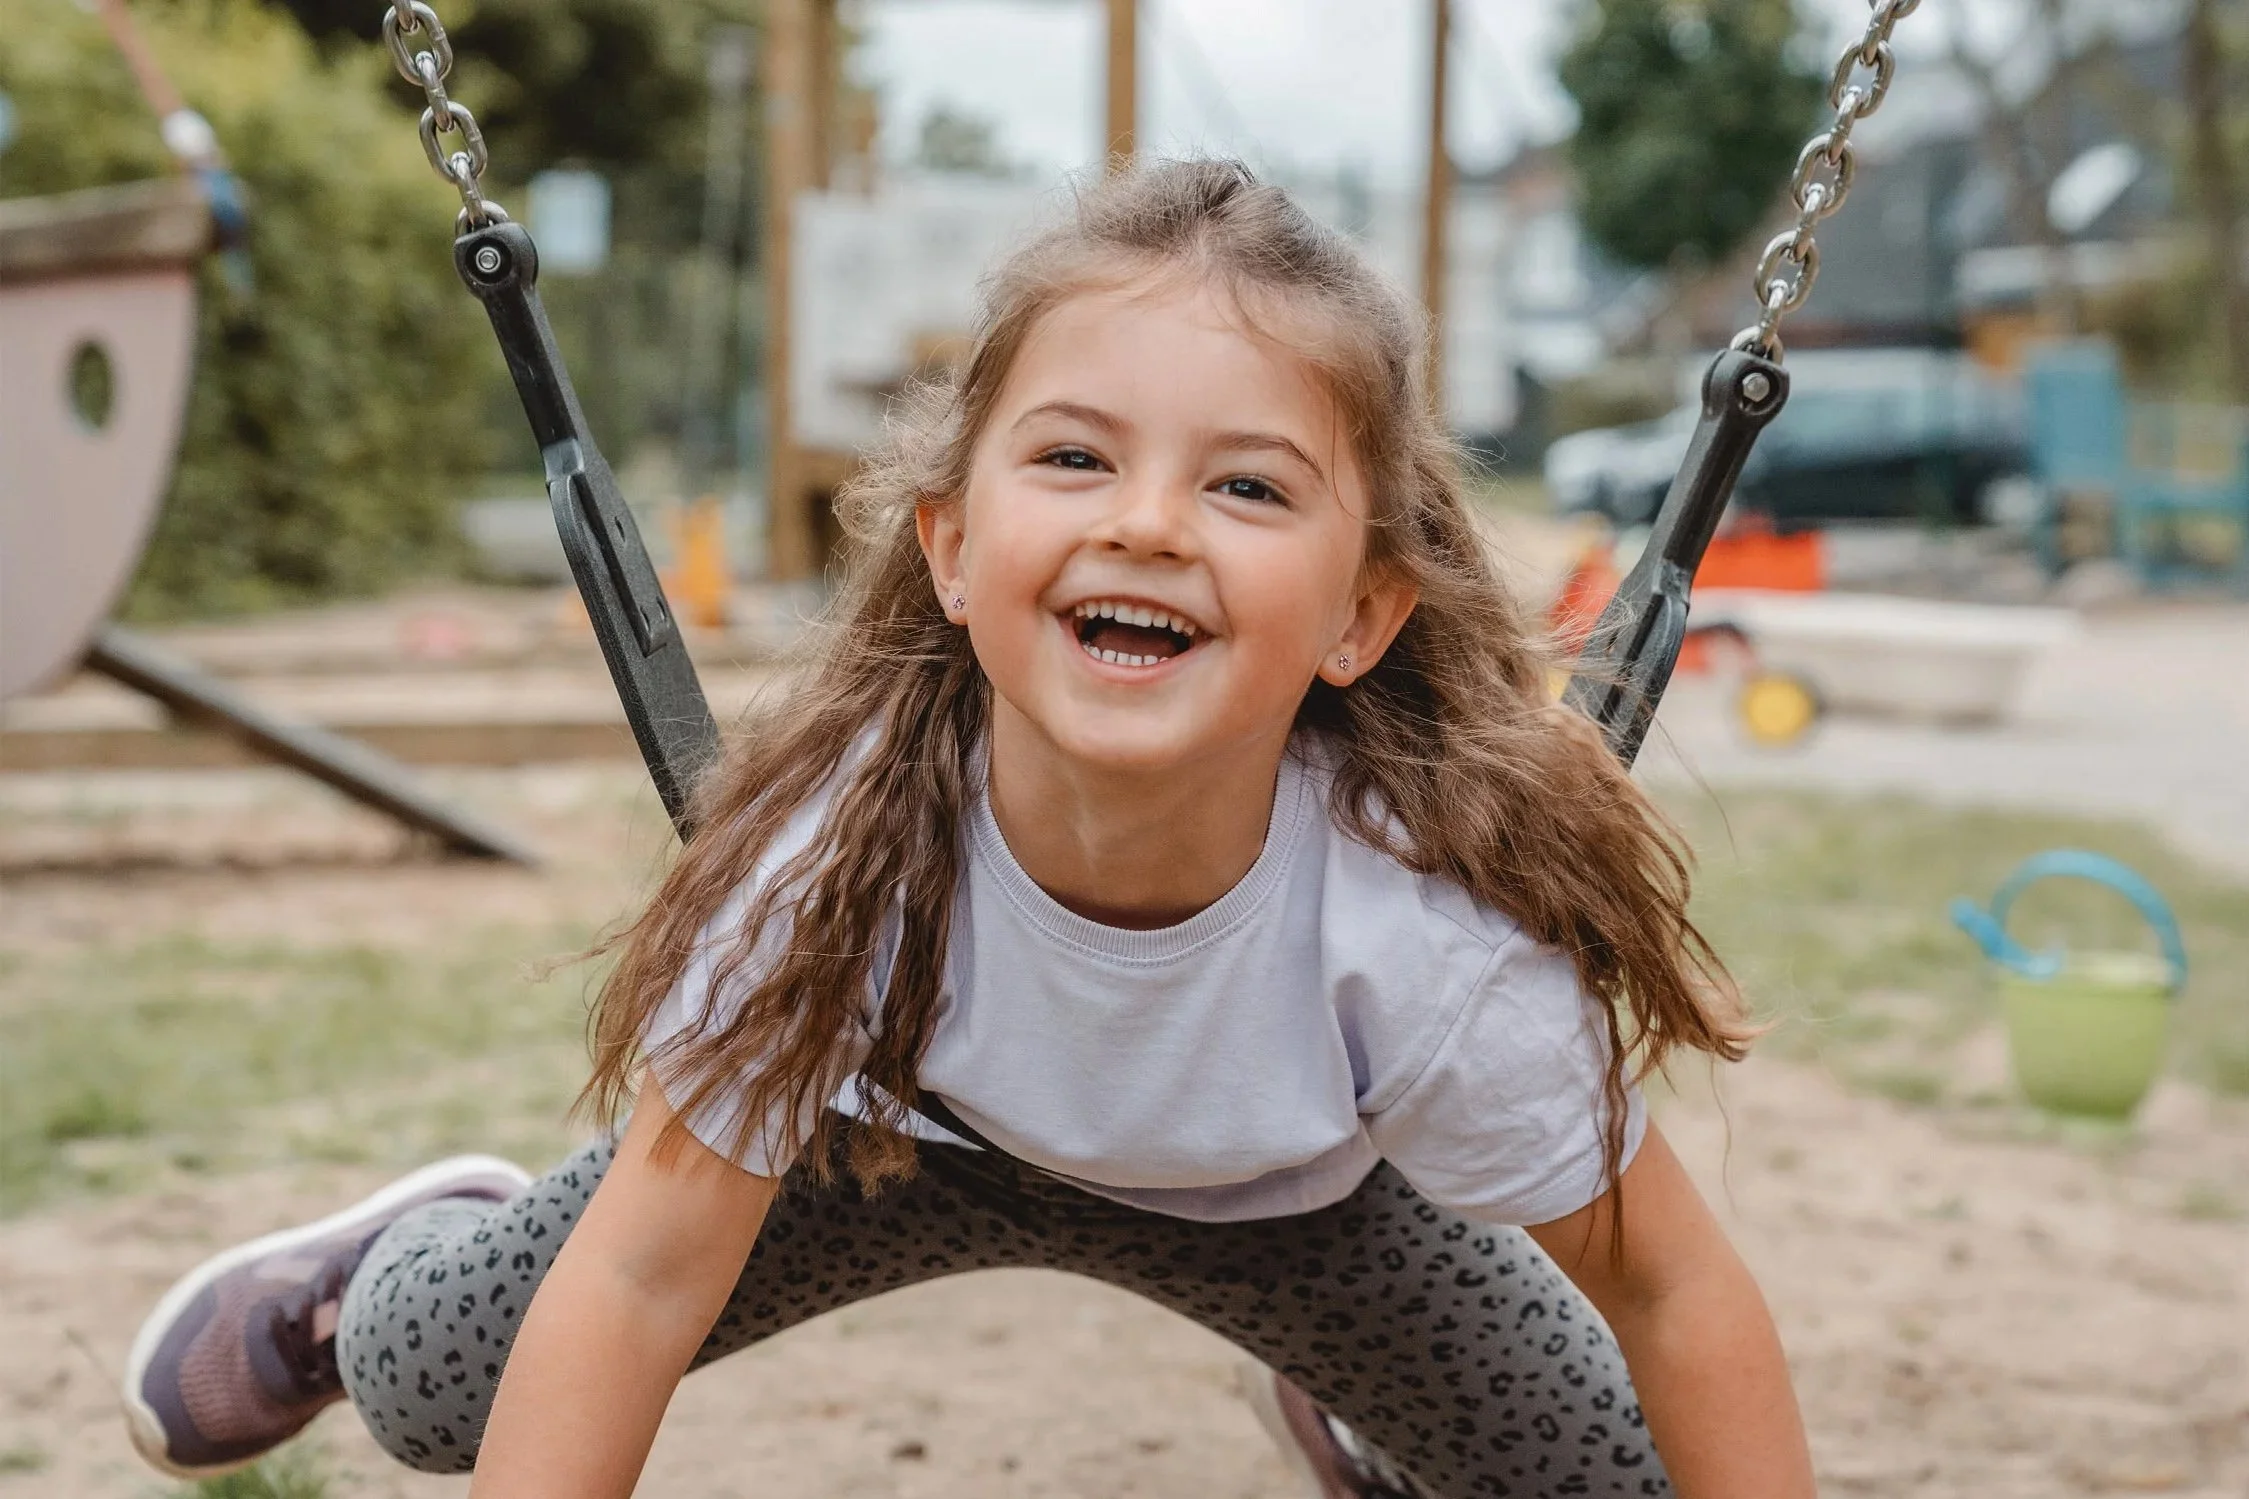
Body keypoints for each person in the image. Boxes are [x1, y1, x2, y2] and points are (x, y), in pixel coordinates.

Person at [121, 159, 1812, 1499]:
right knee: (438, 1391)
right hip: (875, 1144)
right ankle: (385, 1272)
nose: (1149, 523)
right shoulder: (834, 873)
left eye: (1247, 486)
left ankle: (1357, 1425)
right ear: (948, 545)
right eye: (1075, 456)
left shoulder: (1424, 932)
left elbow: (1668, 1281)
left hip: (1291, 1204)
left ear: (1362, 612)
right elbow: (639, 1280)